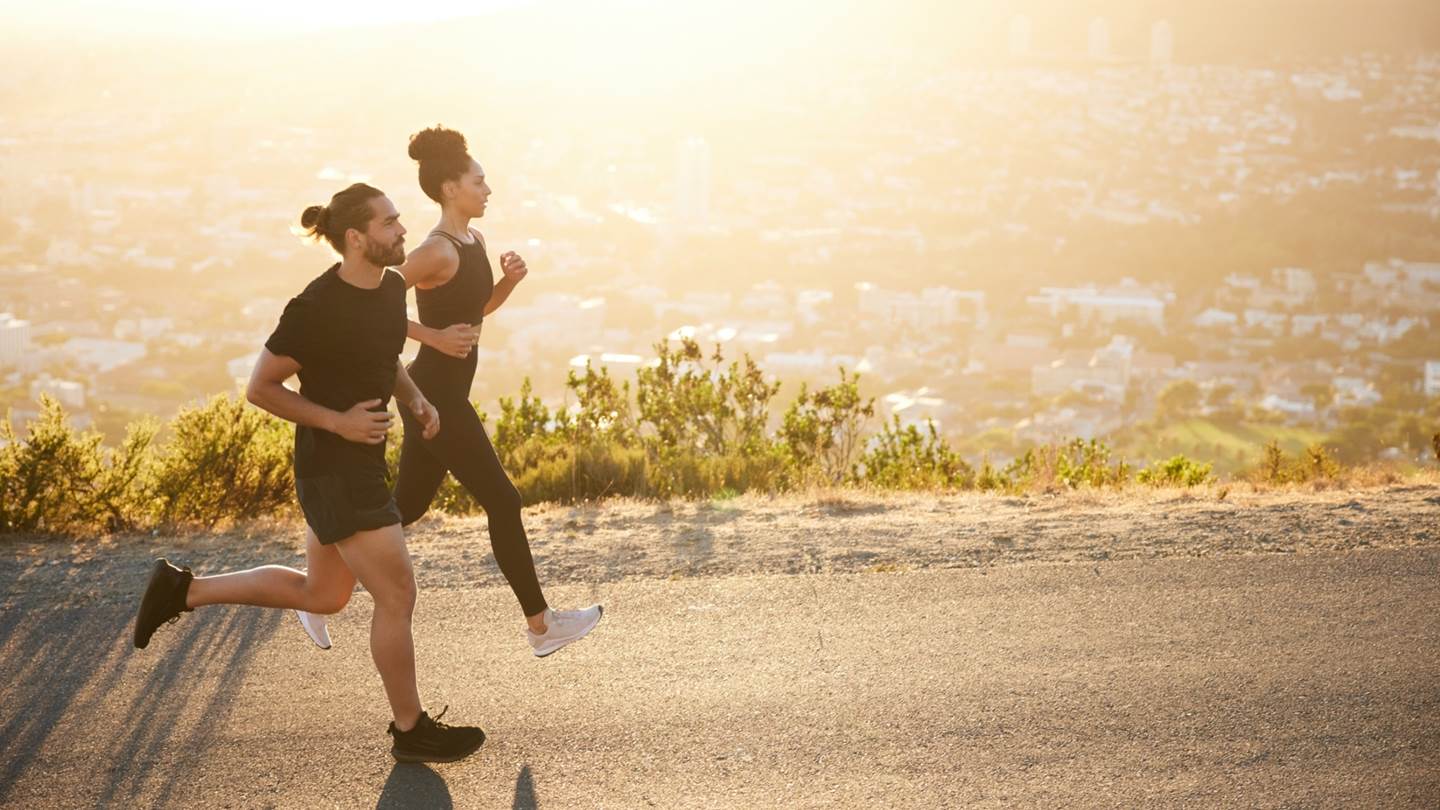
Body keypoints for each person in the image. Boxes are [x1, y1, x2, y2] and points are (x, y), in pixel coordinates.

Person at [132, 183, 486, 764]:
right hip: (335, 467)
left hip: (358, 463)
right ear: (356, 237)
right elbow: (260, 387)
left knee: (322, 595)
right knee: (397, 593)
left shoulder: (389, 287)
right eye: (390, 222)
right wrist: (338, 423)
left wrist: (417, 401)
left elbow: (385, 350)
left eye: (400, 220)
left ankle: (182, 590)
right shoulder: (315, 308)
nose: (402, 231)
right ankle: (410, 728)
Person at [297, 126, 602, 659]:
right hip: (435, 392)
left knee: (405, 507)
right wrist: (430, 335)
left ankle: (313, 585)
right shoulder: (434, 251)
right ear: (449, 189)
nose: (488, 190)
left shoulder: (474, 242)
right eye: (478, 181)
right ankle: (541, 625)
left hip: (441, 393)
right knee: (503, 500)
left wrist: (506, 284)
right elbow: (377, 304)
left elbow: (473, 312)